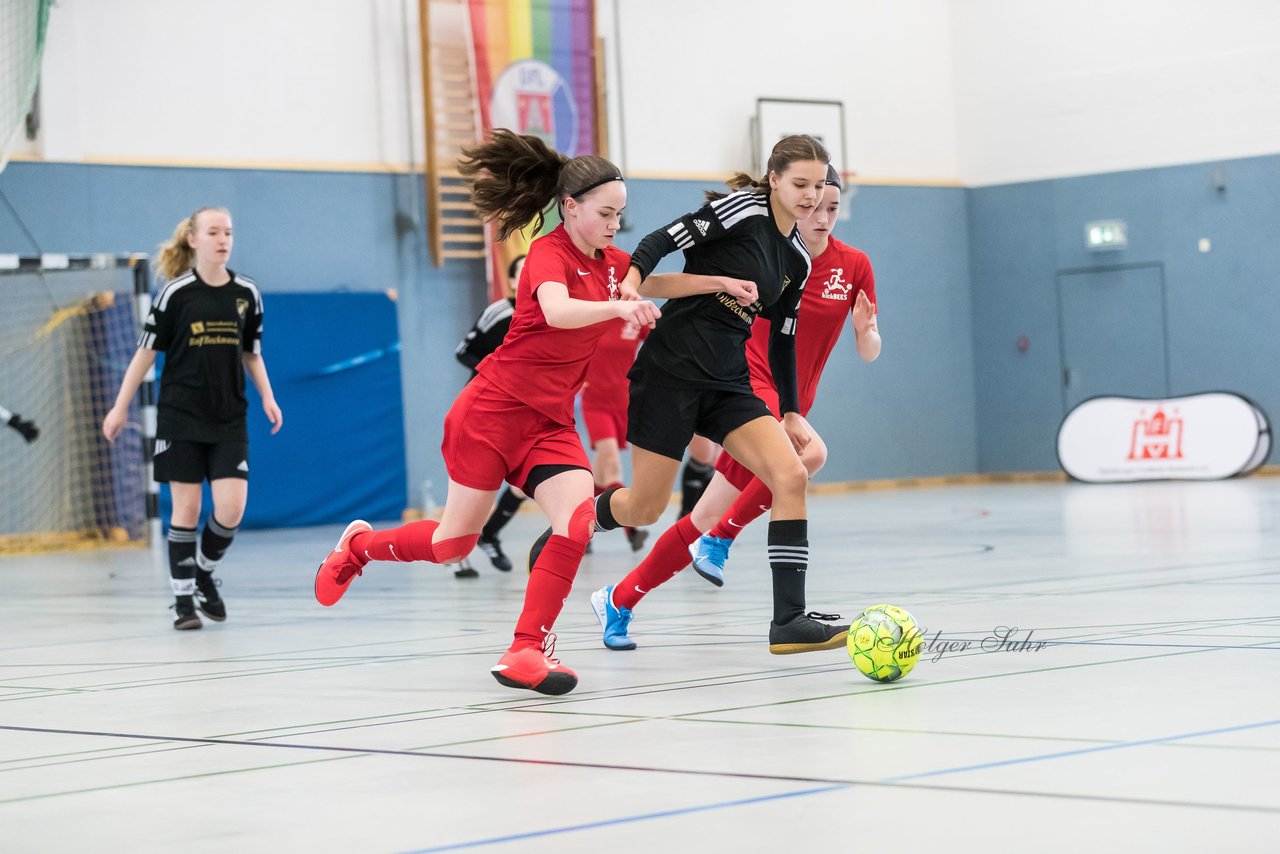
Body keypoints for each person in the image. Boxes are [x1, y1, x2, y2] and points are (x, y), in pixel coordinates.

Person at [312, 129, 754, 695]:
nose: (615, 225)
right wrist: (617, 304)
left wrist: (717, 282)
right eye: (605, 213)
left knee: (575, 520)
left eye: (621, 215)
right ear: (569, 207)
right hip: (492, 411)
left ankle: (526, 648)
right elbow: (559, 311)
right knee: (453, 543)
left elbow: (659, 280)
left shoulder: (613, 264)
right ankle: (358, 548)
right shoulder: (547, 254)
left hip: (548, 424)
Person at [530, 134, 848, 655]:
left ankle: (788, 621)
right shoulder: (742, 210)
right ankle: (579, 519)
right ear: (774, 180)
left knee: (791, 474)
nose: (812, 196)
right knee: (644, 507)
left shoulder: (798, 260)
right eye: (800, 184)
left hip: (728, 384)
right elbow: (659, 240)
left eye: (819, 185)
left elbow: (785, 338)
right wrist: (631, 280)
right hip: (670, 374)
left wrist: (790, 411)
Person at [591, 166, 881, 650]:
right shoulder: (759, 233)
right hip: (744, 380)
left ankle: (620, 597)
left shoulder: (849, 265)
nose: (821, 214)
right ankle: (730, 549)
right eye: (810, 199)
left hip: (786, 399)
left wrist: (865, 334)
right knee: (807, 459)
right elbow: (675, 248)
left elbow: (863, 349)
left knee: (690, 517)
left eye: (831, 206)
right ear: (785, 195)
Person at [103, 207, 283, 630]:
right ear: (194, 240)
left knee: (232, 508)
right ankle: (184, 602)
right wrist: (120, 404)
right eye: (214, 232)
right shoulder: (175, 293)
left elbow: (250, 353)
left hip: (228, 417)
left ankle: (202, 571)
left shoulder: (247, 294)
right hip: (181, 414)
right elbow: (145, 353)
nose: (223, 239)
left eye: (229, 233)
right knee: (186, 508)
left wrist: (268, 397)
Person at [456, 254, 528, 573]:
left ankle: (490, 534)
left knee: (522, 484)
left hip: (522, 413)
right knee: (473, 491)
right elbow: (464, 351)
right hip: (484, 412)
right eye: (522, 273)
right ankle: (456, 557)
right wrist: (496, 373)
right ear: (512, 281)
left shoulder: (552, 315)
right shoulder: (499, 312)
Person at [580, 316, 649, 553]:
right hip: (595, 401)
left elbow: (662, 345)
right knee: (611, 463)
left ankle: (583, 527)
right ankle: (631, 530)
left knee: (600, 474)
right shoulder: (592, 316)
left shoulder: (636, 318)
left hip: (623, 400)